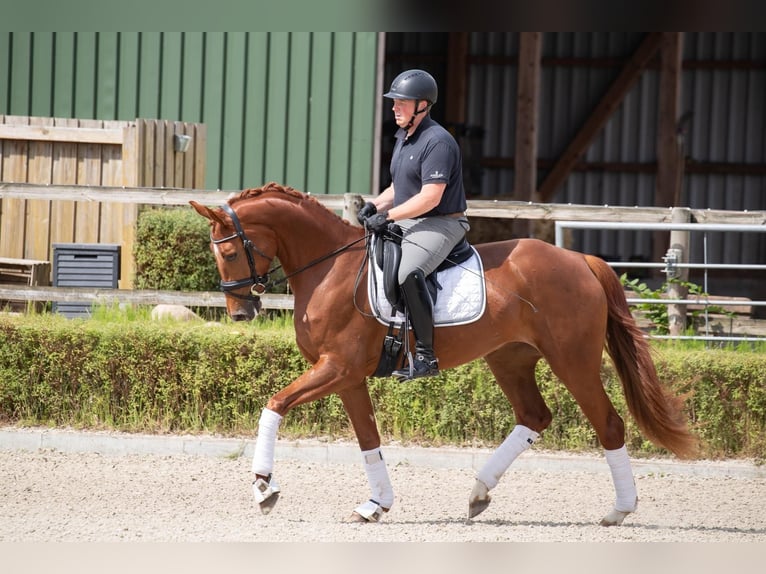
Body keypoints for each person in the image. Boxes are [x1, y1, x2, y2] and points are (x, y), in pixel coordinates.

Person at [357, 69, 470, 381]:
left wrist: (389, 217)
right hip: (412, 219)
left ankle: (425, 356)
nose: (395, 107)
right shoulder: (404, 137)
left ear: (423, 105)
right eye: (394, 102)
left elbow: (430, 197)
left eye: (402, 102)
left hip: (440, 223)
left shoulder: (438, 142)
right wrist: (374, 205)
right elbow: (399, 188)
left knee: (408, 272)